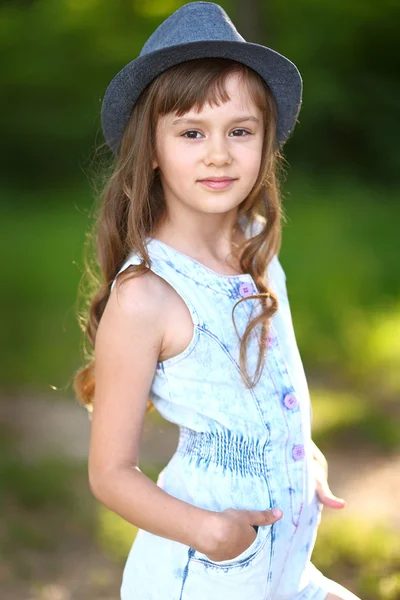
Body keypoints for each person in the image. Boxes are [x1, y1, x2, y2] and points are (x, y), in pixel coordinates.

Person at [74, 3, 361, 599]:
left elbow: (266, 387)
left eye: (239, 130)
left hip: (284, 570)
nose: (218, 153)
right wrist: (209, 531)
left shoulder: (255, 249)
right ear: (151, 149)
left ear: (265, 140)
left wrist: (299, 449)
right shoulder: (147, 296)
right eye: (190, 132)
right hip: (208, 573)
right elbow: (109, 474)